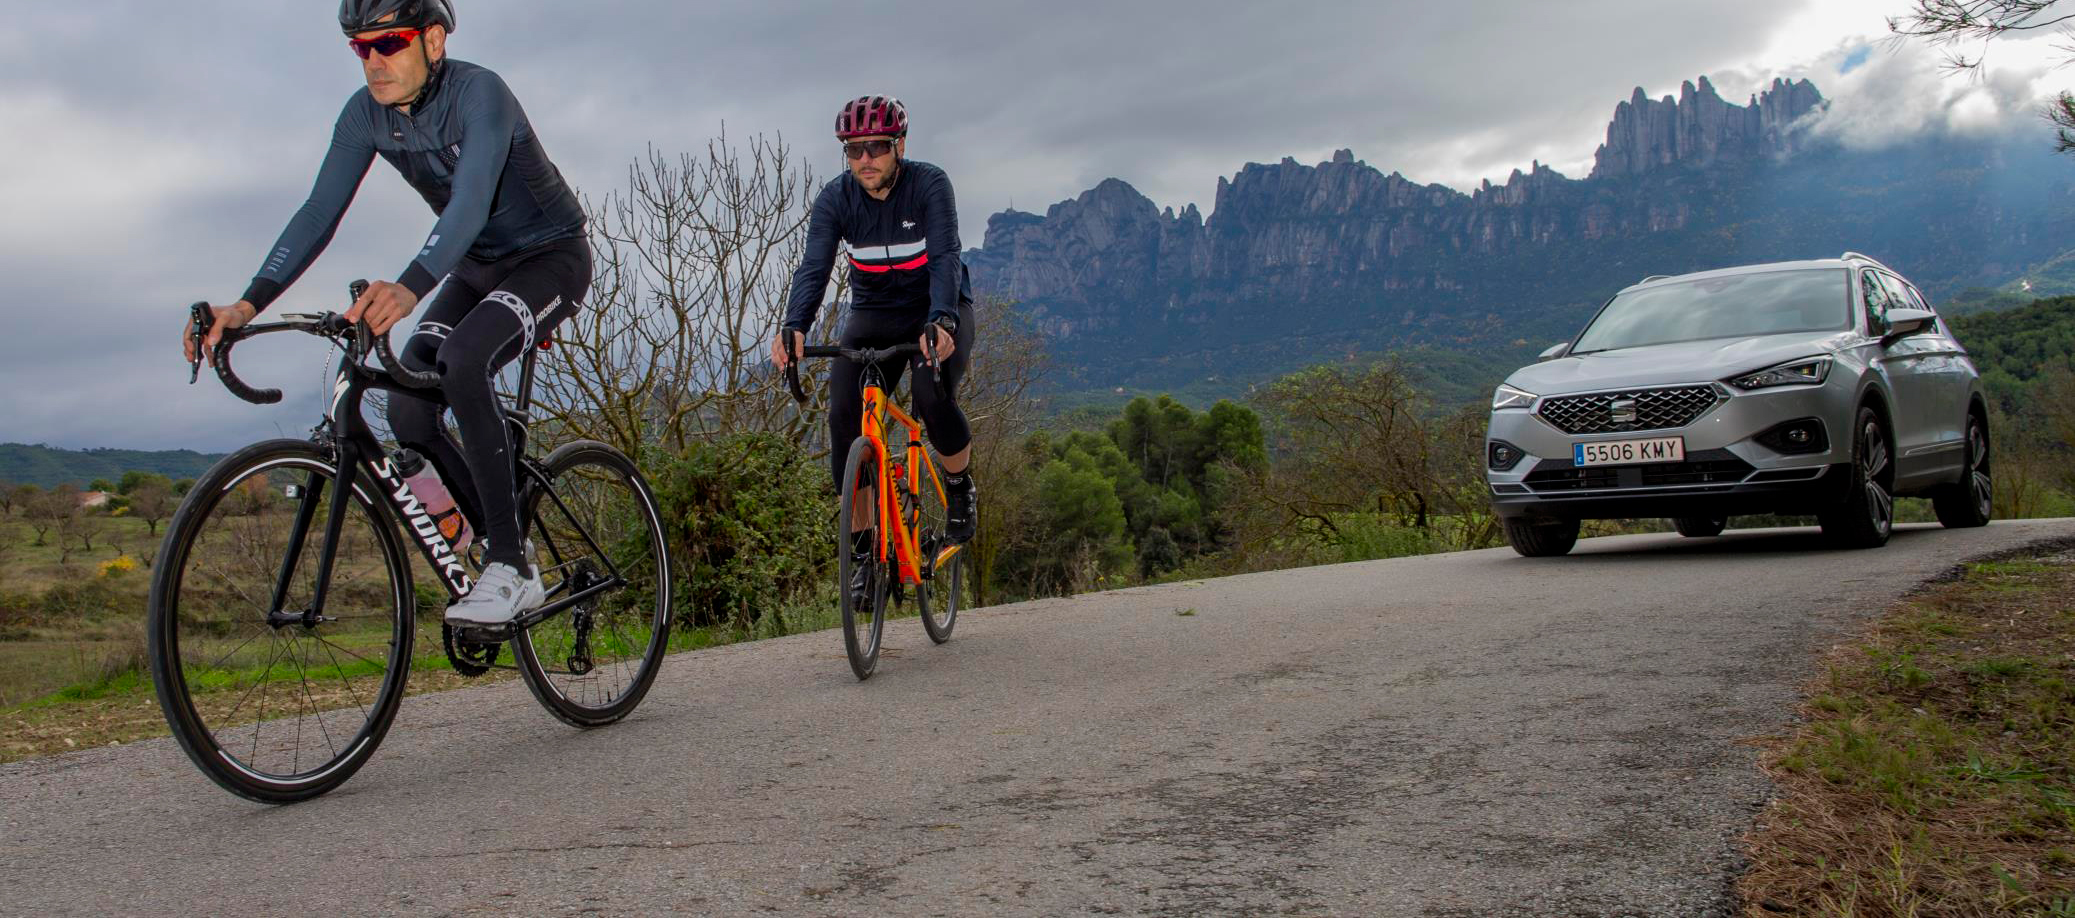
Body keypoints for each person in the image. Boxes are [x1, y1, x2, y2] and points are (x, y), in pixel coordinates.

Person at [181, 0, 590, 627]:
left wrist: (407, 288)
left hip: (550, 258)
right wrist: (246, 303)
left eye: (389, 43)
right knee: (407, 406)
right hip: (475, 267)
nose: (374, 62)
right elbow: (318, 214)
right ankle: (496, 527)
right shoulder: (364, 115)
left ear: (432, 39)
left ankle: (511, 566)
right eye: (359, 48)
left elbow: (471, 202)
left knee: (463, 358)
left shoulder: (482, 93)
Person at [772, 95, 979, 608]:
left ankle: (959, 487)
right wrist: (794, 325)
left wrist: (942, 321)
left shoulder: (929, 184)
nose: (865, 158)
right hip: (873, 312)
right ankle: (865, 554)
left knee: (930, 395)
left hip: (936, 305)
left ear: (899, 146)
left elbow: (946, 257)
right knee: (844, 413)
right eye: (854, 149)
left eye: (877, 147)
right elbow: (813, 268)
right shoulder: (835, 199)